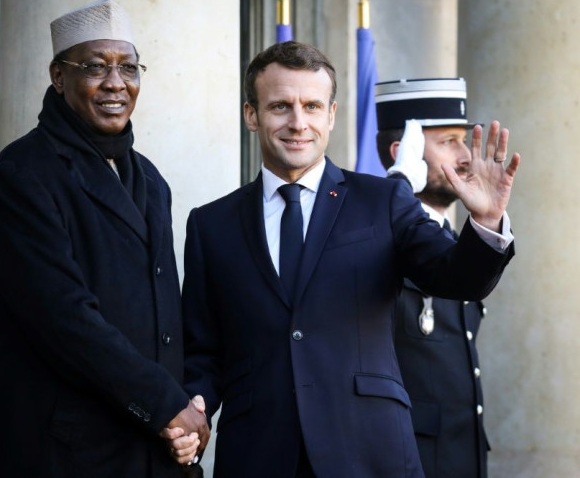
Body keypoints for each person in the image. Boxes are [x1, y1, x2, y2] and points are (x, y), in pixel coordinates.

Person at [181, 41, 519, 477]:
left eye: (312, 106)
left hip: (370, 452)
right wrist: (194, 409)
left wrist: (487, 220)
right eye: (281, 106)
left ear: (332, 115)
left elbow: (455, 278)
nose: (298, 122)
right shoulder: (211, 224)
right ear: (252, 115)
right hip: (257, 454)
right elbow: (203, 350)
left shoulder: (383, 200)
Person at [0, 0, 207, 477]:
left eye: (128, 67)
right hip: (64, 451)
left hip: (149, 447)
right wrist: (166, 404)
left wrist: (185, 414)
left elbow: (165, 319)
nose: (115, 83)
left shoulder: (150, 180)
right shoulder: (22, 174)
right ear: (58, 77)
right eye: (95, 67)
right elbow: (63, 318)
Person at [375, 77, 496, 478]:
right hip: (407, 462)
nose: (465, 156)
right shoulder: (374, 235)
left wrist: (489, 219)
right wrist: (400, 184)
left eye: (463, 140)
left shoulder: (449, 238)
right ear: (402, 153)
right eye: (447, 142)